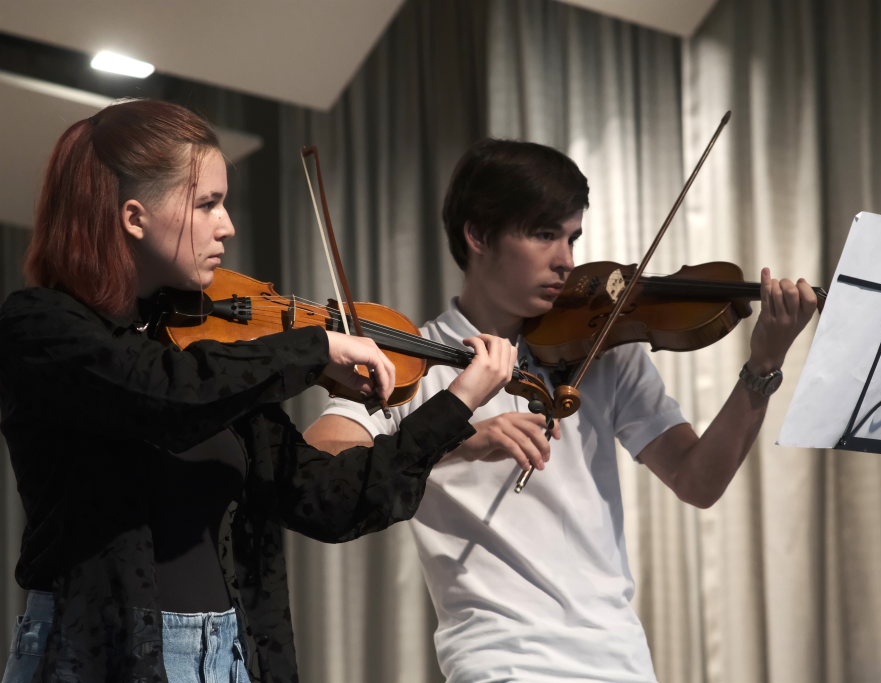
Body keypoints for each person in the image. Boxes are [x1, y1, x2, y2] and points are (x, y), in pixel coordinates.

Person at [0, 100, 516, 683]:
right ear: (134, 217)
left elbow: (327, 501)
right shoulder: (42, 328)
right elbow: (164, 397)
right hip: (100, 657)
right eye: (207, 204)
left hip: (230, 657)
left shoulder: (205, 350)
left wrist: (454, 404)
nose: (227, 226)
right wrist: (314, 347)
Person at [304, 138, 818, 682]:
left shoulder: (602, 348)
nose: (567, 261)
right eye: (545, 234)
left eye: (573, 237)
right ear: (478, 235)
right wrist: (459, 439)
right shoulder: (410, 361)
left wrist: (764, 365)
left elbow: (698, 481)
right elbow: (324, 457)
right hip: (501, 660)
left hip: (620, 658)